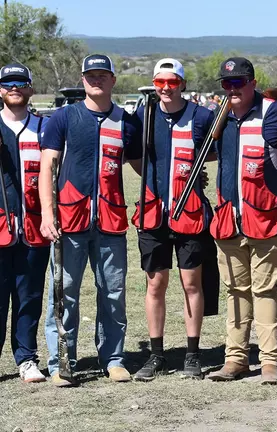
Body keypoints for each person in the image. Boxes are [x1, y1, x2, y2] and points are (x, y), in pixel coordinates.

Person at [39, 54, 142, 387]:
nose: (96, 80)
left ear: (113, 80)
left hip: (111, 221)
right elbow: (47, 167)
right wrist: (47, 213)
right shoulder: (64, 117)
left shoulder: (127, 122)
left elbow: (143, 167)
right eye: (91, 75)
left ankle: (113, 359)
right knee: (64, 293)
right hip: (69, 221)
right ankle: (61, 362)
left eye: (102, 75)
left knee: (113, 293)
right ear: (83, 80)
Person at [205, 57, 277, 384]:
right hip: (229, 218)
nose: (232, 89)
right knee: (235, 290)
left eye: (239, 82)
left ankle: (269, 362)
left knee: (264, 290)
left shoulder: (275, 111)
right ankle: (235, 359)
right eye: (227, 83)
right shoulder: (220, 115)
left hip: (265, 216)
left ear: (253, 83)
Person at [130, 58, 215, 381]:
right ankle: (157, 355)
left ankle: (193, 354)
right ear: (154, 84)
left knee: (191, 283)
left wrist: (195, 175)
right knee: (155, 283)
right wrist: (153, 181)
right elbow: (134, 155)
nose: (166, 88)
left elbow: (215, 149)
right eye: (160, 82)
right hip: (153, 214)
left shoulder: (202, 116)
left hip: (190, 211)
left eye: (172, 82)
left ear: (183, 84)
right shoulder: (143, 115)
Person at [0, 63, 49, 383]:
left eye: (20, 82)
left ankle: (27, 358)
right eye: (8, 83)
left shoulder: (44, 127)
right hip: (0, 226)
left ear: (30, 88)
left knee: (29, 297)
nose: (14, 87)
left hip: (34, 227)